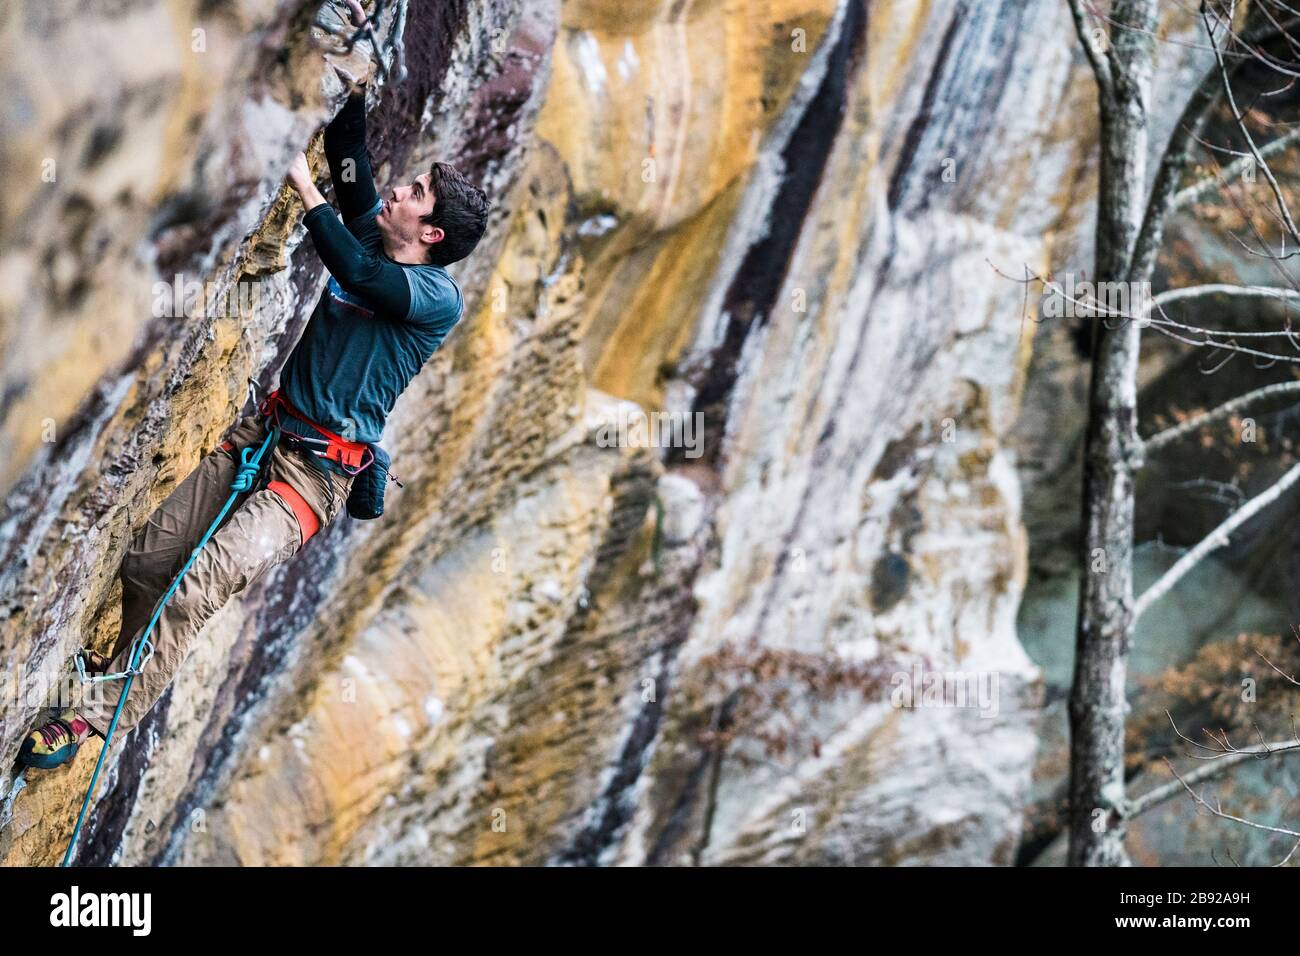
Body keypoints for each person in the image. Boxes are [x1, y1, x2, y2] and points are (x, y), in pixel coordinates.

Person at [19, 13, 490, 769]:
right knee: (149, 558)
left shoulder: (434, 296)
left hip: (315, 477)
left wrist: (299, 186)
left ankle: (86, 722)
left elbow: (359, 275)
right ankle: (117, 668)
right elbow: (350, 159)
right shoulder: (376, 233)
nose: (400, 188)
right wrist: (355, 70)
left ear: (431, 233)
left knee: (199, 582)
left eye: (416, 192)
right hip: (263, 434)